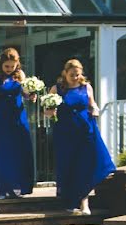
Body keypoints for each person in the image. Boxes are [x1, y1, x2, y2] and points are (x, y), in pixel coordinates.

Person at [48, 58, 116, 215]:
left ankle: (84, 203)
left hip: (85, 129)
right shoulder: (57, 88)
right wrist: (50, 112)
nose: (75, 77)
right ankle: (70, 201)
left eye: (78, 74)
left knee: (86, 164)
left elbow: (93, 104)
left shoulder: (86, 87)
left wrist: (95, 110)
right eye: (72, 74)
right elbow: (47, 110)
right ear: (65, 73)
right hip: (65, 132)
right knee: (69, 165)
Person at [0, 48, 35, 198]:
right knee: (1, 151)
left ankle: (18, 187)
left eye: (13, 66)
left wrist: (31, 95)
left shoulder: (20, 75)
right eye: (7, 66)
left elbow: (25, 93)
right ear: (1, 63)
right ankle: (1, 187)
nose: (10, 70)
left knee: (19, 151)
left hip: (17, 118)